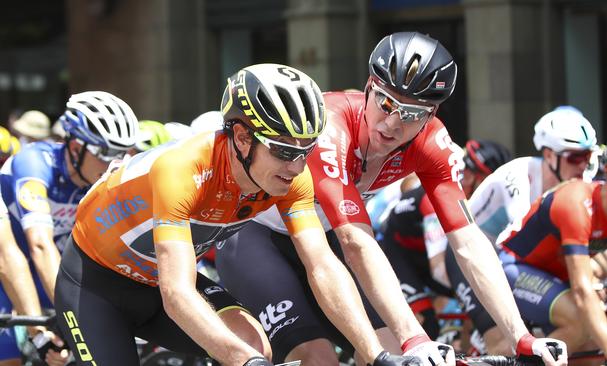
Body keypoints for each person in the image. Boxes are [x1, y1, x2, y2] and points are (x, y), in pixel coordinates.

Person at [216, 32, 567, 366]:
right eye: (385, 102)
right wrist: (415, 337)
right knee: (320, 357)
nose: (392, 123)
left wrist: (520, 335)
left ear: (431, 116)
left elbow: (468, 242)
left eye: (413, 114)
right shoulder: (332, 124)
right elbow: (355, 240)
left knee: (391, 349)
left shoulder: (431, 143)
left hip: (323, 240)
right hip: (257, 238)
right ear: (369, 88)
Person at [54, 64, 419, 366]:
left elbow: (322, 265)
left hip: (154, 281)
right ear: (242, 137)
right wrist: (244, 362)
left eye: (305, 150)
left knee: (254, 343)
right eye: (282, 151)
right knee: (245, 355)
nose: (295, 166)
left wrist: (375, 354)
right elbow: (176, 292)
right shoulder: (182, 170)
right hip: (95, 284)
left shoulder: (292, 176)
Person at [0, 91, 138, 365]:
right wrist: (43, 332)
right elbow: (39, 245)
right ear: (76, 148)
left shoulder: (101, 180)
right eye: (105, 153)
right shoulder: (36, 164)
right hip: (8, 270)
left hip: (47, 278)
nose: (114, 163)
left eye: (121, 153)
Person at [497, 135, 607, 365]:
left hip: (557, 278)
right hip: (514, 268)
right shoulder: (577, 203)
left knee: (589, 351)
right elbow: (582, 289)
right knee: (582, 323)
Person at [377, 139, 512, 340]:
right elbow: (440, 269)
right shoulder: (441, 195)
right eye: (486, 181)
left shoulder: (469, 200)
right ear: (469, 176)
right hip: (393, 254)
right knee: (427, 326)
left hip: (419, 251)